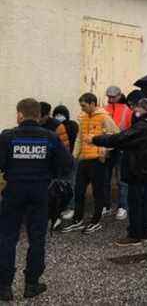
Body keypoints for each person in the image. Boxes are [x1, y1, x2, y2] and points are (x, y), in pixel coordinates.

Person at [0, 98, 72, 301]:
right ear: (39, 115)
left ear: (20, 114)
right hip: (40, 192)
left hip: (13, 191)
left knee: (7, 238)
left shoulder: (7, 136)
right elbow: (67, 163)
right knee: (37, 238)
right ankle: (31, 284)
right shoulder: (49, 137)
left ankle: (4, 286)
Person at [90, 98, 147, 246]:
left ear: (145, 110)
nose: (135, 111)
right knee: (146, 201)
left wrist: (95, 139)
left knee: (136, 202)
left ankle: (135, 235)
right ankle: (144, 232)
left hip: (137, 169)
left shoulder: (143, 126)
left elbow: (121, 138)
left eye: (138, 108)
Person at [61, 93, 118, 234]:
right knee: (79, 191)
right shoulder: (83, 118)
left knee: (98, 193)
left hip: (98, 161)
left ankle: (95, 222)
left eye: (84, 106)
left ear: (93, 103)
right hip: (84, 160)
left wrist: (104, 151)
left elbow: (116, 136)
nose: (82, 108)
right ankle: (77, 220)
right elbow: (79, 138)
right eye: (81, 106)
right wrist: (74, 156)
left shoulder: (104, 117)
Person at [104, 86, 133, 221]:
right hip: (108, 148)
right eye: (108, 97)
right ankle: (106, 205)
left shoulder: (128, 111)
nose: (110, 99)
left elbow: (130, 129)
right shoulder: (104, 110)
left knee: (122, 179)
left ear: (120, 95)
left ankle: (123, 206)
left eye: (113, 97)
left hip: (121, 148)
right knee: (106, 178)